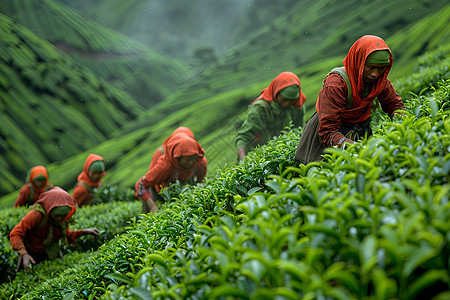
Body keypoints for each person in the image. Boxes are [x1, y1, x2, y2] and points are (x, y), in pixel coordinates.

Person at [295, 35, 405, 164]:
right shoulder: (336, 84)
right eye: (370, 67)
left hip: (359, 131)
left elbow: (395, 105)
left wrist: (403, 124)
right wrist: (354, 148)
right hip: (328, 137)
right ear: (359, 61)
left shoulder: (380, 82)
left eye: (381, 68)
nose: (375, 74)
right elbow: (328, 131)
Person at [9, 187, 99, 271]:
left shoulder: (63, 220)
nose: (60, 219)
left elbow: (66, 235)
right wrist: (24, 253)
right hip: (30, 254)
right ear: (49, 209)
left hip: (50, 253)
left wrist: (84, 232)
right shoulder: (37, 215)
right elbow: (16, 233)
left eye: (63, 216)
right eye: (56, 215)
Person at [235, 71, 307, 161]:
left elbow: (299, 129)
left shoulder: (296, 106)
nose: (288, 103)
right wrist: (243, 160)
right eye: (285, 99)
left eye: (292, 100)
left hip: (282, 152)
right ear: (276, 93)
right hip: (257, 155)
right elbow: (243, 137)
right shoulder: (261, 108)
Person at [135, 127, 207, 213]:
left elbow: (200, 183)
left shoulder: (200, 162)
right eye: (187, 160)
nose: (191, 162)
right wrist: (153, 206)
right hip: (160, 195)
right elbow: (141, 184)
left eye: (193, 158)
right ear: (177, 157)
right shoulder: (164, 165)